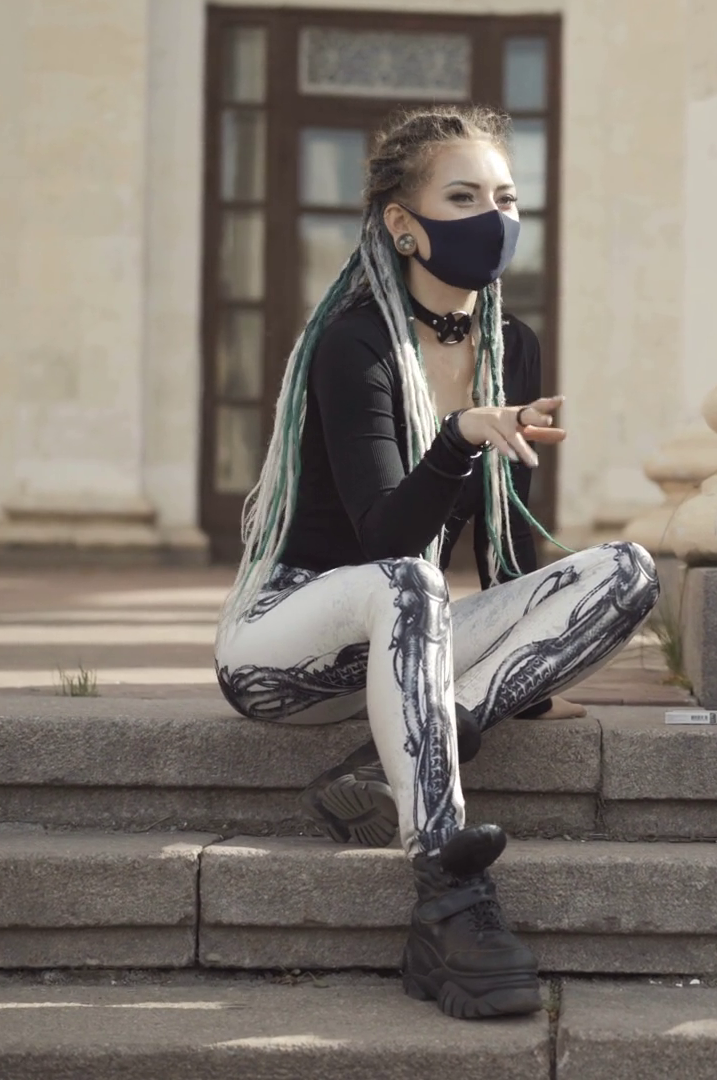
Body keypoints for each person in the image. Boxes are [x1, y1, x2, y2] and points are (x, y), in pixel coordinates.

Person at [213, 105, 658, 1019]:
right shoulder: (356, 343)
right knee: (410, 578)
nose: (493, 217)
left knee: (627, 569)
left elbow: (505, 540)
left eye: (506, 197)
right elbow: (387, 536)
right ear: (403, 225)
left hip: (407, 650)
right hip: (287, 646)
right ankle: (447, 893)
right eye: (463, 197)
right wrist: (457, 438)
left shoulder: (510, 345)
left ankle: (403, 756)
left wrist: (526, 674)